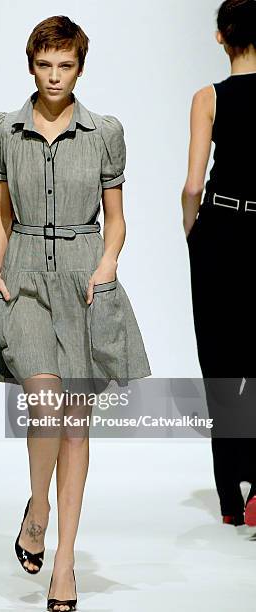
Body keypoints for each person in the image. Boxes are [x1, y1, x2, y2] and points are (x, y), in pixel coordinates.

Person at [0, 15, 151, 611]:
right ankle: (38, 505)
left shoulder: (105, 131)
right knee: (45, 404)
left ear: (80, 68)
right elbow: (1, 210)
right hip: (24, 277)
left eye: (66, 65)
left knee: (74, 421)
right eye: (45, 64)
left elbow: (117, 215)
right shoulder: (4, 128)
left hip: (84, 280)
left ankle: (64, 561)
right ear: (31, 64)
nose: (54, 76)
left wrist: (108, 264)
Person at [182, 0, 256, 528]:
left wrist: (194, 232)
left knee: (221, 366)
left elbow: (192, 184)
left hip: (220, 232)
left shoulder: (208, 98)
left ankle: (231, 500)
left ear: (219, 38)